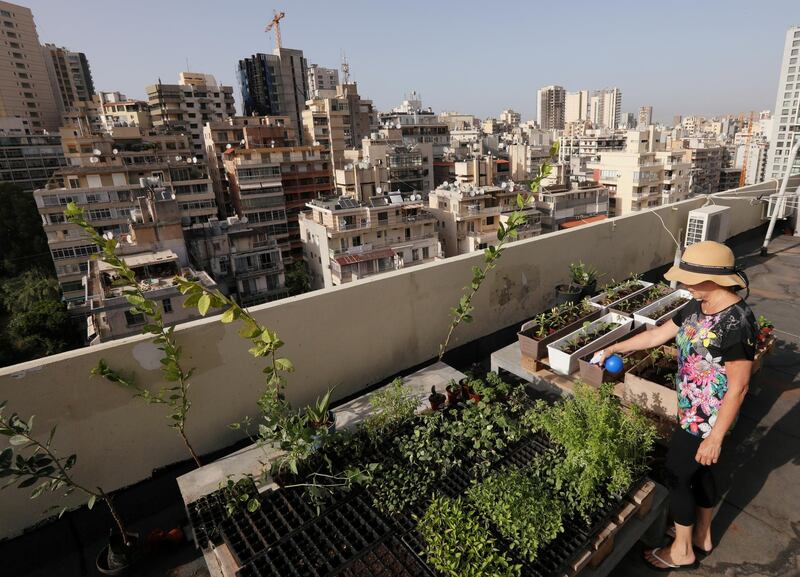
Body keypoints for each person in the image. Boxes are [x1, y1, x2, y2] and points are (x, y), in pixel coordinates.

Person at [593, 241, 757, 571]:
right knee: (701, 472)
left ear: (715, 279)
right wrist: (616, 348)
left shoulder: (736, 324)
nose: (682, 284)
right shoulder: (697, 307)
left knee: (679, 475)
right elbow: (657, 336)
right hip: (690, 409)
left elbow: (739, 388)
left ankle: (682, 551)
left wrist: (715, 438)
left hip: (706, 419)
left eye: (688, 278)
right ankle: (702, 535)